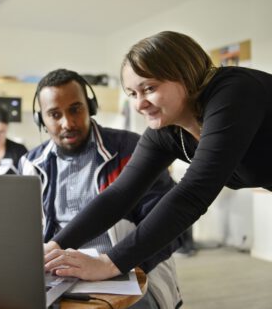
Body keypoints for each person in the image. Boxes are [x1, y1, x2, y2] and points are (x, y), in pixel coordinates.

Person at [44, 31, 272, 282]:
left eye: (149, 88)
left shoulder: (234, 93)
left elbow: (192, 194)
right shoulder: (166, 130)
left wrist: (110, 263)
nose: (140, 104)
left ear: (184, 74)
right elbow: (119, 195)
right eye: (132, 94)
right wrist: (54, 247)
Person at [20, 69, 183, 309]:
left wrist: (117, 265)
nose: (67, 123)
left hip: (122, 269)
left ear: (91, 106)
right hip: (56, 276)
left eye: (75, 109)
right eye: (55, 114)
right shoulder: (30, 164)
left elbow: (171, 228)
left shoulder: (133, 151)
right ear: (41, 120)